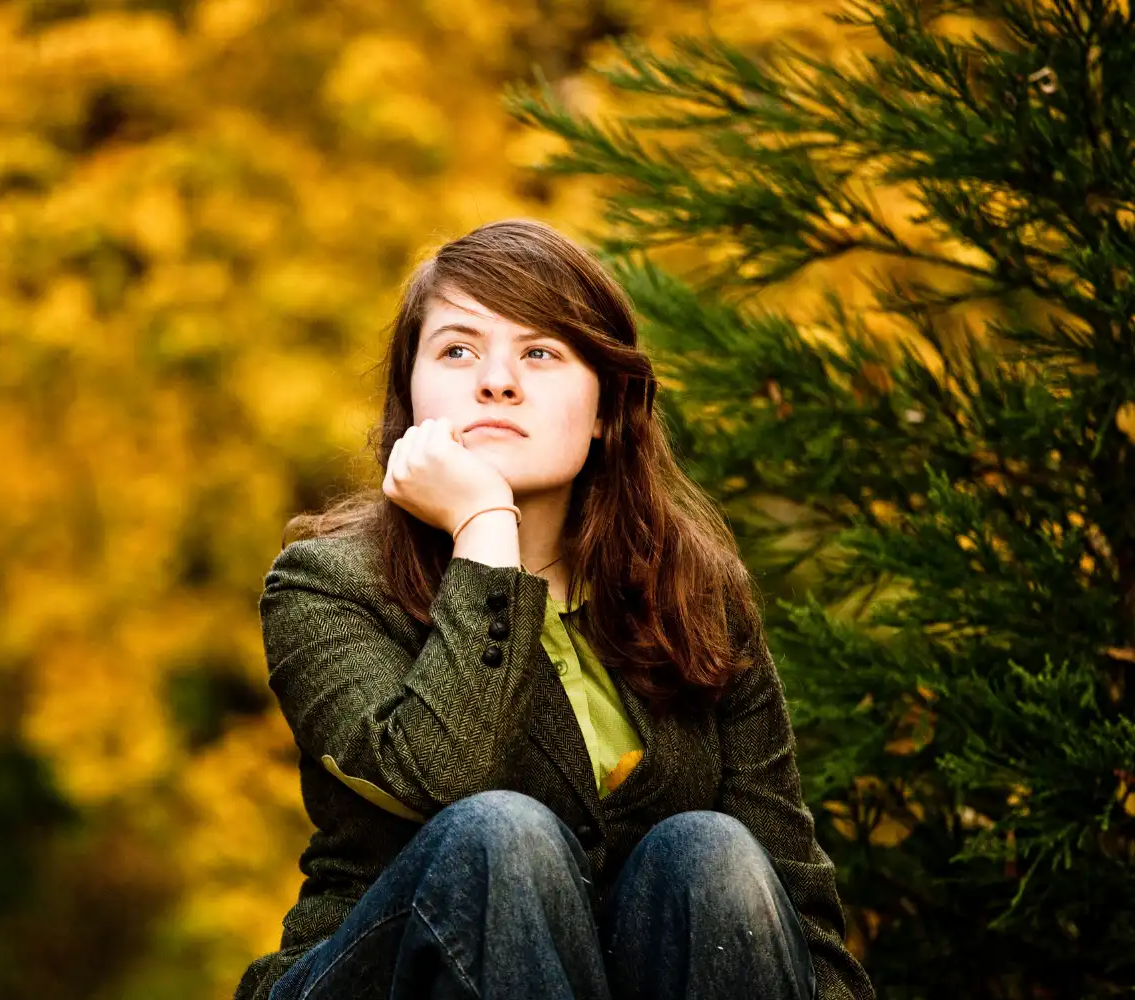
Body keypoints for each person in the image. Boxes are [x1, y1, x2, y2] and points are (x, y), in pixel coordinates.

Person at [235, 219, 875, 1000]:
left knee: (711, 852)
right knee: (501, 834)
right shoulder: (327, 585)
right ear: (409, 395)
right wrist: (483, 529)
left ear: (608, 407)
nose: (497, 382)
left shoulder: (693, 594)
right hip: (378, 979)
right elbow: (445, 781)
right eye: (458, 350)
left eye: (540, 353)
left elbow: (796, 908)